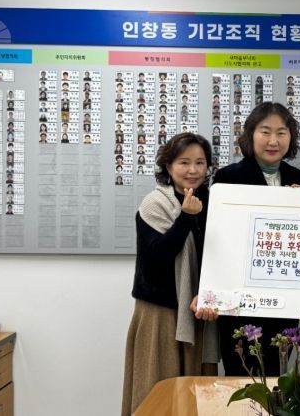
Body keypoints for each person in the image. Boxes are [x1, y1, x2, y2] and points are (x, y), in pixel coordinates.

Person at [122, 132, 219, 416]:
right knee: (157, 393)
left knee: (197, 398)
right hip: (160, 313)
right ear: (168, 166)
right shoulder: (155, 203)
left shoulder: (214, 201)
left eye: (200, 162)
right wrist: (186, 217)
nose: (193, 170)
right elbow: (157, 260)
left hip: (200, 311)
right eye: (184, 162)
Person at [212, 102, 300, 376]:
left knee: (278, 375)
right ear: (250, 135)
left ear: (290, 137)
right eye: (265, 132)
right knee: (242, 376)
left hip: (284, 297)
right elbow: (219, 236)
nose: (273, 141)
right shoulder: (227, 177)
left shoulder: (299, 178)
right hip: (241, 297)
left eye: (281, 132)